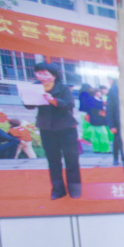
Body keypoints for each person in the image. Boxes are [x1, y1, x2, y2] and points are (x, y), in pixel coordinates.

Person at [26, 62, 82, 199]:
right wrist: (27, 98)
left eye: (45, 73)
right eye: (39, 73)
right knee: (53, 161)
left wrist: (53, 100)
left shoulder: (63, 88)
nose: (42, 76)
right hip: (46, 128)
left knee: (71, 160)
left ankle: (74, 189)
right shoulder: (34, 87)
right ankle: (57, 189)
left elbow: (69, 104)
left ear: (54, 75)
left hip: (66, 128)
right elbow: (29, 106)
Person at [106, 79, 124, 178]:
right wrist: (111, 125)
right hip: (120, 124)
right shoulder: (114, 89)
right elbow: (109, 108)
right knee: (123, 149)